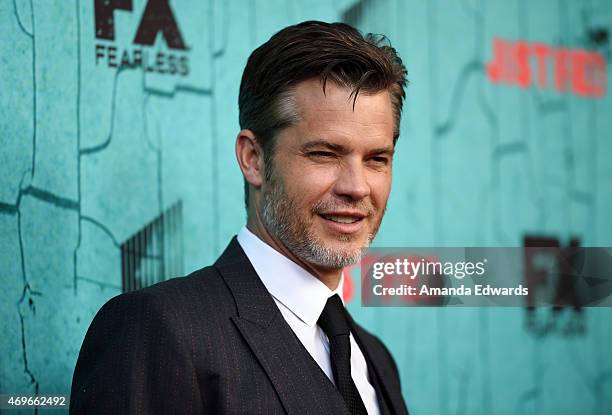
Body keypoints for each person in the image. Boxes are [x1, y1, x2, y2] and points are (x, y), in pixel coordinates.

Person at [70, 20, 409, 415]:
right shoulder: (159, 330)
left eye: (376, 159)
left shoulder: (376, 359)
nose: (357, 187)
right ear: (253, 159)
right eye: (324, 154)